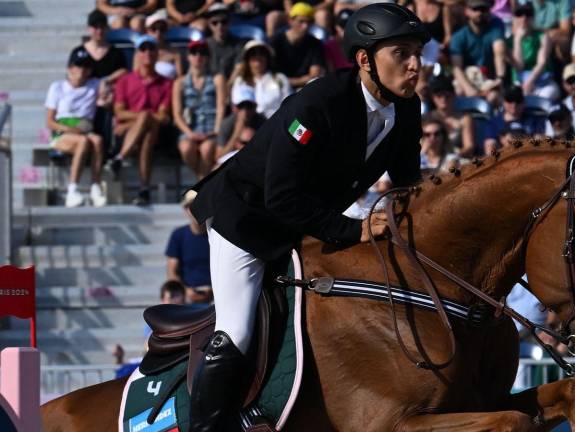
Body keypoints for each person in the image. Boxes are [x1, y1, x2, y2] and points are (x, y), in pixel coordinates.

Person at [186, 4, 429, 430]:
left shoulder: (407, 108)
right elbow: (281, 197)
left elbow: (408, 182)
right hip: (245, 220)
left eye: (418, 53)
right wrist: (354, 230)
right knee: (237, 332)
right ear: (364, 60)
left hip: (306, 224)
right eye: (402, 53)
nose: (415, 65)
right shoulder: (318, 104)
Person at [109, 35, 173, 206]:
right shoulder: (125, 80)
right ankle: (144, 189)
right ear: (137, 54)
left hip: (147, 131)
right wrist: (143, 119)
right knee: (147, 132)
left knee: (148, 125)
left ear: (157, 53)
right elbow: (119, 112)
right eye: (143, 49)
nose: (147, 53)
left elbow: (162, 116)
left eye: (151, 49)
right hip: (137, 132)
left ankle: (120, 158)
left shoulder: (166, 83)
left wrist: (140, 119)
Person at [45, 48, 108, 208]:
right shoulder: (57, 87)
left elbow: (108, 87)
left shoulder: (94, 85)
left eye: (86, 67)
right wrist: (71, 129)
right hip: (63, 132)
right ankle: (72, 190)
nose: (81, 70)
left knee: (98, 141)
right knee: (83, 142)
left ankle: (95, 187)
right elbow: (50, 122)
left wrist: (105, 92)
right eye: (78, 66)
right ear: (70, 68)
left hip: (85, 129)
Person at [71, 10, 128, 152]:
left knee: (109, 102)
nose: (99, 30)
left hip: (108, 93)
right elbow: (72, 76)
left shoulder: (115, 52)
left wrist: (106, 81)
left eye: (102, 26)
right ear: (89, 29)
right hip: (85, 94)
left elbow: (124, 71)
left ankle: (109, 148)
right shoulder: (79, 52)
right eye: (95, 27)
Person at [173, 40, 226, 180]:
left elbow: (221, 107)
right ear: (188, 57)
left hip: (211, 127)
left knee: (206, 149)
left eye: (202, 53)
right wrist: (189, 133)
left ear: (207, 57)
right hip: (190, 128)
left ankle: (197, 191)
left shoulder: (217, 79)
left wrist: (216, 130)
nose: (198, 56)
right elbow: (177, 114)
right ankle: (201, 187)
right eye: (194, 53)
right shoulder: (179, 83)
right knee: (186, 149)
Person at [449, 0, 505, 99]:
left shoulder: (495, 30)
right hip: (466, 78)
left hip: (488, 79)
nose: (479, 13)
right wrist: (468, 88)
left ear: (489, 11)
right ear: (467, 11)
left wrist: (500, 78)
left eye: (483, 9)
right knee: (459, 91)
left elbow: (499, 54)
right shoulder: (458, 37)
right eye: (475, 9)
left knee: (494, 96)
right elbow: (456, 67)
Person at [166, 194, 213, 303]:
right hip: (186, 296)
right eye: (192, 206)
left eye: (200, 205)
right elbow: (171, 272)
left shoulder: (217, 236)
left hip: (216, 296)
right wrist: (186, 291)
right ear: (186, 210)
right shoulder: (178, 235)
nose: (196, 210)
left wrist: (214, 291)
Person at [507, 3, 559, 101]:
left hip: (543, 82)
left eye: (528, 14)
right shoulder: (509, 41)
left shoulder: (543, 36)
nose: (524, 18)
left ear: (533, 17)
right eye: (519, 14)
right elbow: (519, 66)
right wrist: (518, 39)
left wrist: (530, 81)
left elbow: (542, 62)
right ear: (514, 18)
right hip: (519, 83)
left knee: (546, 97)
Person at [271, 2, 327, 88]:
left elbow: (315, 74)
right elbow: (271, 73)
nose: (305, 26)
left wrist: (290, 82)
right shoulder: (276, 41)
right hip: (278, 87)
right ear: (290, 21)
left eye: (308, 22)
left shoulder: (315, 44)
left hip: (303, 88)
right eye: (301, 21)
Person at [232, 39, 292, 119]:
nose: (257, 64)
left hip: (276, 122)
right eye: (253, 59)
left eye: (261, 58)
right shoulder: (240, 81)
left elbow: (289, 106)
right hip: (249, 124)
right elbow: (238, 107)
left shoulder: (280, 79)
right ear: (247, 61)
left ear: (267, 59)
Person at [483, 85, 545, 153]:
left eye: (518, 100)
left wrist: (519, 141)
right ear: (503, 101)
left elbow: (541, 143)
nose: (514, 104)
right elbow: (489, 147)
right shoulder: (494, 122)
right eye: (509, 99)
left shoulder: (534, 119)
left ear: (523, 102)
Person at [424, 75, 476, 157]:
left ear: (454, 96)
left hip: (457, 160)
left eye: (447, 95)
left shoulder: (465, 118)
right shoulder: (426, 119)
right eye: (439, 95)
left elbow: (469, 146)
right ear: (433, 98)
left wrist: (454, 157)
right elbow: (422, 146)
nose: (443, 99)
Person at [206, 4, 244, 80]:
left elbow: (239, 68)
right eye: (215, 23)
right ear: (209, 25)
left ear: (229, 23)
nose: (220, 26)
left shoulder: (238, 44)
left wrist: (227, 86)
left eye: (224, 22)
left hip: (232, 85)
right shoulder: (205, 45)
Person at [144, 9, 183, 80]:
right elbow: (136, 78)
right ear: (147, 31)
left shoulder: (175, 52)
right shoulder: (140, 53)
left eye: (162, 28)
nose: (158, 33)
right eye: (153, 28)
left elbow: (180, 79)